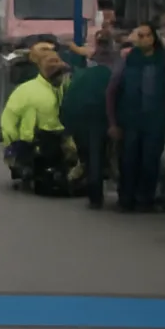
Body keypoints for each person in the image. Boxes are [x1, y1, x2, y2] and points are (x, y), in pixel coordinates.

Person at [106, 22, 165, 212]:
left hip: (155, 120)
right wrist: (113, 121)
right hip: (129, 120)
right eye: (141, 35)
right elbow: (113, 90)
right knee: (128, 160)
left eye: (148, 35)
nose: (145, 39)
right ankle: (126, 198)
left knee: (150, 160)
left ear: (154, 37)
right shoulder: (127, 61)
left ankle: (145, 198)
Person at [60, 29, 120, 208]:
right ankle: (99, 191)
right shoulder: (113, 73)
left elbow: (69, 99)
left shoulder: (82, 75)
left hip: (80, 118)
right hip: (101, 118)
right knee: (99, 155)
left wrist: (68, 124)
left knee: (90, 156)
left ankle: (94, 194)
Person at [0, 52, 75, 196]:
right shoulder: (31, 92)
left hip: (45, 139)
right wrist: (12, 143)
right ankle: (25, 169)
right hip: (34, 140)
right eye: (61, 74)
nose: (64, 78)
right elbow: (10, 117)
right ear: (53, 75)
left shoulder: (59, 89)